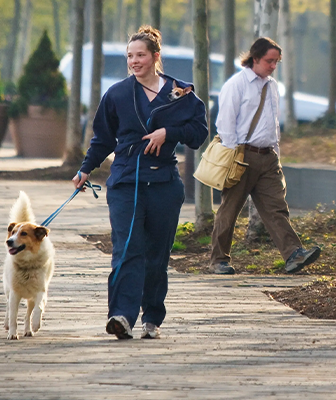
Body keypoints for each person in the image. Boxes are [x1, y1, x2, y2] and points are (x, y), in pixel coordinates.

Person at [72, 26, 208, 340]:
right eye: (130, 56)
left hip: (164, 184)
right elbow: (102, 139)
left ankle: (153, 317)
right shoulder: (117, 93)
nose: (134, 61)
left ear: (155, 57)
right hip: (125, 182)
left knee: (157, 256)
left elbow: (199, 133)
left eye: (141, 55)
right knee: (127, 250)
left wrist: (169, 133)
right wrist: (85, 169)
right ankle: (120, 315)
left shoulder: (181, 93)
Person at [209, 37, 321, 275]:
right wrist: (232, 156)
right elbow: (225, 122)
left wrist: (276, 154)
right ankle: (218, 259)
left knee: (276, 208)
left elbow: (273, 124)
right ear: (255, 58)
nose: (273, 66)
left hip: (268, 157)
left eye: (276, 62)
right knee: (230, 209)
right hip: (241, 154)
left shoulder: (271, 86)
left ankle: (293, 254)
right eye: (269, 61)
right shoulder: (236, 84)